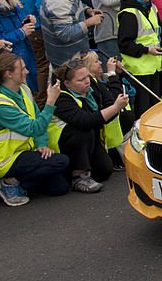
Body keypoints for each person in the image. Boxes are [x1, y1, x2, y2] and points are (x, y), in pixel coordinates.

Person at [0, 53, 69, 204]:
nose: (27, 71)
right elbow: (34, 128)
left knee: (60, 187)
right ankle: (8, 183)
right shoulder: (0, 106)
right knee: (61, 161)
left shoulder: (23, 89)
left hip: (25, 152)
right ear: (9, 74)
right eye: (22, 69)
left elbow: (36, 117)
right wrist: (51, 101)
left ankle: (24, 184)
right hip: (5, 160)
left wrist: (42, 144)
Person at [48, 58, 129, 192]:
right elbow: (85, 121)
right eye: (81, 80)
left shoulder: (93, 85)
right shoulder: (61, 97)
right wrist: (115, 108)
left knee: (104, 171)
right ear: (67, 83)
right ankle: (78, 175)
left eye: (87, 77)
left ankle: (87, 167)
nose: (87, 81)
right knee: (82, 131)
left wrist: (114, 106)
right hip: (64, 144)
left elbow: (110, 100)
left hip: (91, 139)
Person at [117, 0, 162, 118]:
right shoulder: (129, 14)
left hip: (155, 66)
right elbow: (124, 44)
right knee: (142, 110)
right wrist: (146, 50)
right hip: (138, 70)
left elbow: (159, 33)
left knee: (155, 106)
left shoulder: (153, 8)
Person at [40, 0, 103, 67]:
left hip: (75, 56)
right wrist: (89, 22)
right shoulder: (57, 2)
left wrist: (87, 10)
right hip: (66, 62)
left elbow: (73, 5)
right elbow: (64, 34)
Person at [13, 0, 50, 103]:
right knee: (41, 65)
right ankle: (40, 98)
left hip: (19, 28)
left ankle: (26, 96)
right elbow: (42, 7)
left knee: (24, 63)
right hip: (36, 28)